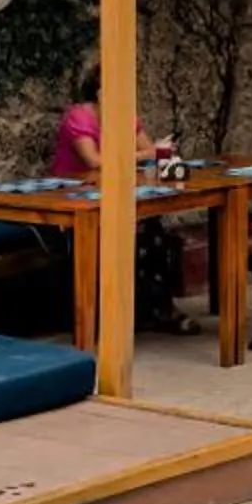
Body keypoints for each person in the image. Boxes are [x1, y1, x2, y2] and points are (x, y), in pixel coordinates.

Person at [50, 72, 194, 332]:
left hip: (116, 192)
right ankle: (125, 313)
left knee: (152, 227)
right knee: (134, 230)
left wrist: (160, 152)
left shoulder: (127, 117)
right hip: (76, 197)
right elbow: (93, 161)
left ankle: (158, 307)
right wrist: (144, 154)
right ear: (99, 91)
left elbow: (149, 153)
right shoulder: (80, 117)